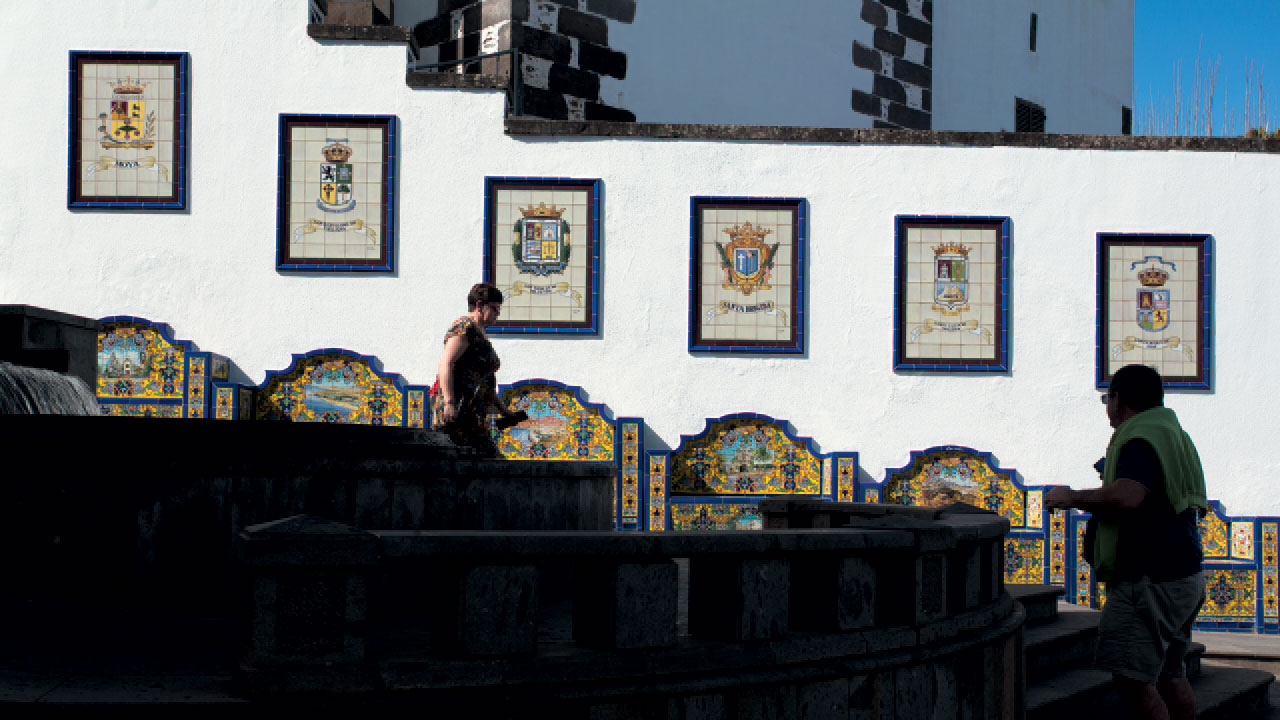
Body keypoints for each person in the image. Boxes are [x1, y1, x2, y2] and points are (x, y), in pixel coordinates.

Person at [1046, 364, 1208, 720]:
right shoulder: (1170, 431)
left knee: (1134, 680)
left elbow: (1129, 496)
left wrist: (1070, 497)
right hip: (1181, 575)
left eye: (1107, 398)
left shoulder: (1140, 437)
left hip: (1149, 583)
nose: (1107, 407)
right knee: (1169, 673)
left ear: (1119, 399)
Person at [430, 282, 522, 456]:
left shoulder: (480, 332)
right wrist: (449, 403)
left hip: (474, 413)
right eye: (494, 309)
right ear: (479, 306)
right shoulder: (464, 328)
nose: (498, 314)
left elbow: (484, 380)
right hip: (459, 410)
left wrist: (504, 411)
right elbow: (446, 363)